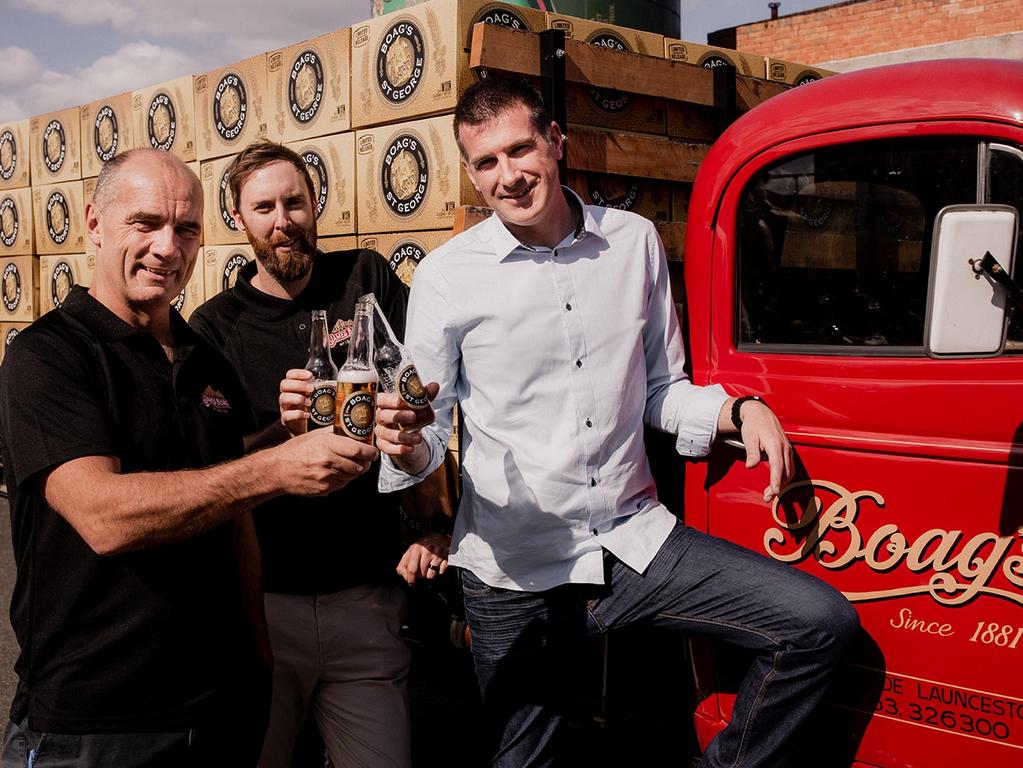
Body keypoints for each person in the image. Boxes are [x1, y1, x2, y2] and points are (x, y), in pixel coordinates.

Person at [375, 77, 860, 768]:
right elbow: (428, 426)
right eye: (485, 162)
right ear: (470, 172)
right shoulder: (448, 276)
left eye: (520, 150)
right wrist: (403, 445)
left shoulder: (631, 243)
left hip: (635, 543)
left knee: (817, 625)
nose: (508, 176)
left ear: (555, 142)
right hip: (514, 566)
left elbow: (661, 388)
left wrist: (734, 409)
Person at [0, 148, 377, 768]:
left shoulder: (205, 360)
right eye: (144, 223)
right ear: (94, 223)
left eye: (187, 229)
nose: (167, 248)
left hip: (216, 712)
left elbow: (234, 515)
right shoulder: (50, 357)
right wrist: (275, 469)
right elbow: (105, 516)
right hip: (94, 726)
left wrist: (259, 660)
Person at [190, 141, 443, 768]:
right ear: (239, 219)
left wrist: (434, 518)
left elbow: (419, 410)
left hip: (367, 598)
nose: (283, 220)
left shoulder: (366, 277)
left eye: (294, 202)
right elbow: (205, 477)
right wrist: (282, 430)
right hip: (266, 606)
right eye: (265, 207)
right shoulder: (213, 327)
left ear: (314, 204)